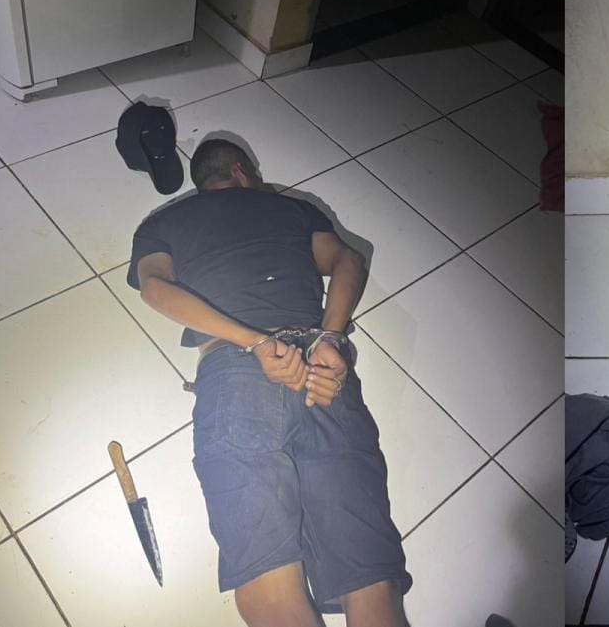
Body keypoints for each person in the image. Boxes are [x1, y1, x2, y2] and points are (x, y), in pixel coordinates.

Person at [128, 138, 411, 627]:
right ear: (242, 172)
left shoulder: (162, 223)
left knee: (269, 581)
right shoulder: (292, 208)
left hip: (235, 369)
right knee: (368, 575)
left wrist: (255, 342)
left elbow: (154, 287)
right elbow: (348, 260)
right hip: (321, 369)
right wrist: (331, 339)